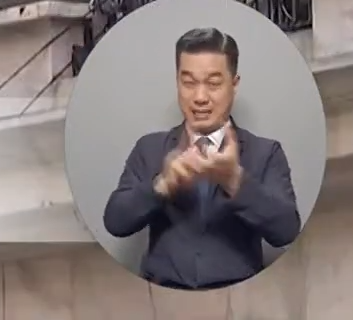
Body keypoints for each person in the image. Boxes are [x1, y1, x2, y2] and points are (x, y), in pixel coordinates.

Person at [101, 27, 302, 290]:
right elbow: (115, 222)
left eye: (214, 83)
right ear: (177, 82)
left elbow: (286, 230)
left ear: (234, 84)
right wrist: (161, 185)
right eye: (188, 82)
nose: (200, 97)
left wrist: (234, 180)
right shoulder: (149, 148)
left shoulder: (266, 153)